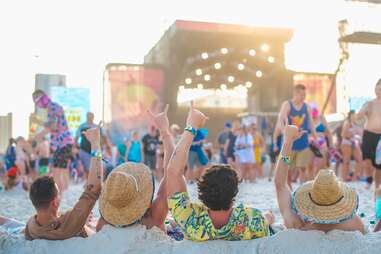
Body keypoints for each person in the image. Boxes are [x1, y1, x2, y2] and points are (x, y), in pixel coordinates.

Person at [166, 103, 272, 241]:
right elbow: (264, 224)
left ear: (202, 191)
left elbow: (173, 171)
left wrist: (191, 127)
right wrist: (267, 219)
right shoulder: (253, 220)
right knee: (269, 216)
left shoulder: (190, 219)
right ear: (235, 191)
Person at [96, 105, 176, 237]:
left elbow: (92, 189)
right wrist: (165, 131)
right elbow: (171, 173)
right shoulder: (153, 219)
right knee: (172, 223)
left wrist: (95, 145)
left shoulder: (103, 224)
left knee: (171, 222)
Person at [274, 124, 365, 234]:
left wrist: (287, 142)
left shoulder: (296, 223)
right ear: (341, 197)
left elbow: (280, 184)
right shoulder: (355, 224)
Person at [24, 126, 103, 240]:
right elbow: (94, 187)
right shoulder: (67, 225)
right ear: (54, 203)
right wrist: (96, 144)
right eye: (58, 194)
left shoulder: (31, 226)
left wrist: (81, 220)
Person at [32, 90, 74, 192]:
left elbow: (52, 126)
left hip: (61, 143)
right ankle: (63, 195)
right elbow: (53, 125)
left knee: (56, 172)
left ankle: (58, 198)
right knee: (62, 171)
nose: (37, 103)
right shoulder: (54, 106)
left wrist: (38, 134)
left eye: (37, 100)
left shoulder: (52, 107)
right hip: (65, 142)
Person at [276, 84, 316, 185]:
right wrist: (283, 131)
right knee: (287, 168)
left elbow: (311, 123)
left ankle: (301, 190)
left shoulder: (307, 107)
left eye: (304, 95)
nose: (304, 97)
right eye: (302, 95)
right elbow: (281, 118)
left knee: (302, 168)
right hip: (289, 143)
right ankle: (288, 189)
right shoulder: (287, 104)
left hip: (303, 143)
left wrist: (315, 136)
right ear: (295, 93)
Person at [356, 79, 381, 190]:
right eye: (378, 88)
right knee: (366, 159)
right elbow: (358, 117)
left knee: (378, 163)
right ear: (375, 89)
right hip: (368, 134)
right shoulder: (369, 103)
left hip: (380, 137)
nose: (379, 90)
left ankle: (377, 185)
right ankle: (369, 179)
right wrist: (363, 111)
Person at [311, 106, 333, 176]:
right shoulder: (307, 118)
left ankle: (319, 178)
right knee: (310, 165)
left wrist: (331, 146)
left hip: (322, 142)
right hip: (310, 143)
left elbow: (329, 132)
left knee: (323, 162)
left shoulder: (321, 117)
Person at [341, 111, 362, 182]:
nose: (354, 117)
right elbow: (343, 134)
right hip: (347, 143)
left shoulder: (356, 124)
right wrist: (352, 134)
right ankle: (344, 179)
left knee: (359, 159)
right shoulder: (347, 123)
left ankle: (354, 178)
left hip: (354, 143)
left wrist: (357, 136)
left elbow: (360, 134)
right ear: (350, 116)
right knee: (346, 161)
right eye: (353, 115)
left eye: (355, 115)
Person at [75, 112, 97, 179]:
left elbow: (102, 138)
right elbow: (76, 137)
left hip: (94, 150)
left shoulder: (96, 127)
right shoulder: (82, 126)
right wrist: (77, 147)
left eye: (91, 116)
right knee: (86, 169)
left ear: (93, 117)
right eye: (88, 116)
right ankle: (87, 183)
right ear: (86, 117)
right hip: (84, 149)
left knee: (93, 169)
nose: (90, 118)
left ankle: (90, 183)